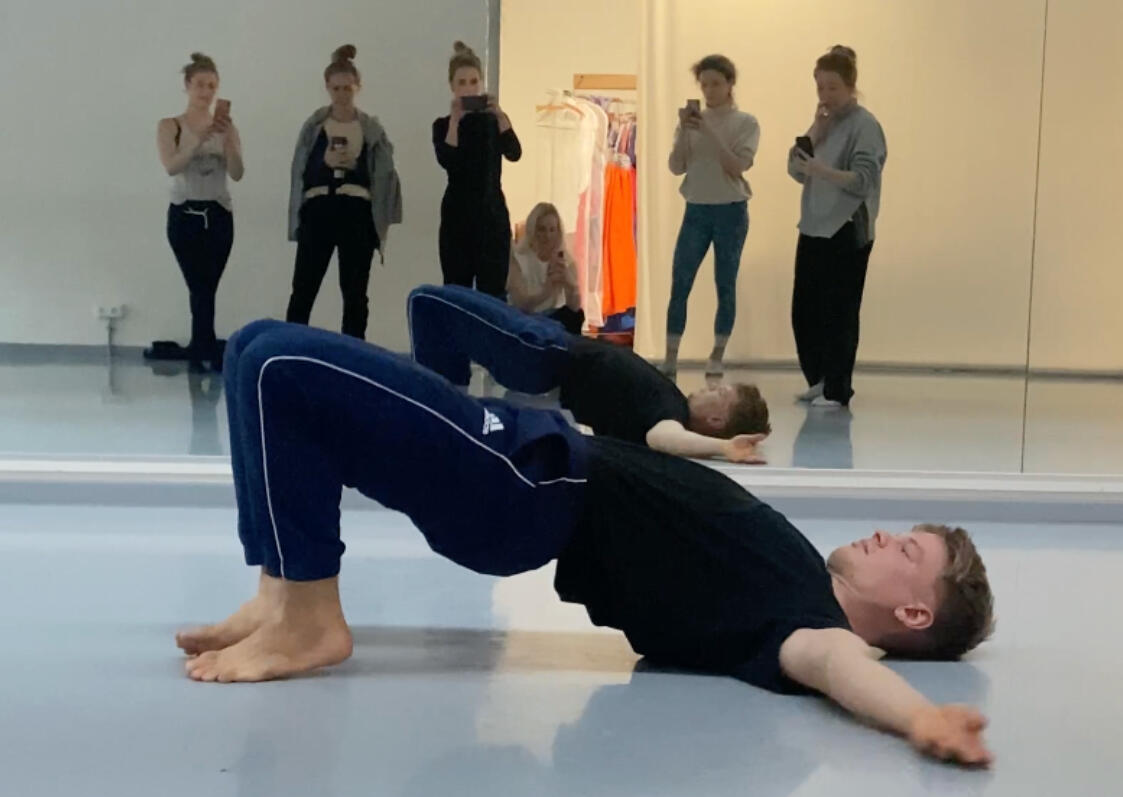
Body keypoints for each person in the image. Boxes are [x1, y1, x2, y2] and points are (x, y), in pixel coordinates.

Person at [176, 318, 996, 768]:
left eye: (907, 553)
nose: (885, 535)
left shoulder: (810, 627)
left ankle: (311, 616)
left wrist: (921, 719)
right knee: (253, 350)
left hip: (525, 486)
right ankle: (279, 590)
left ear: (912, 613)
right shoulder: (798, 574)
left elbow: (843, 670)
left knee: (279, 364)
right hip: (534, 463)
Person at [408, 284, 770, 461]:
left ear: (717, 420)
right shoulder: (670, 403)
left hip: (539, 352)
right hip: (546, 342)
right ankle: (443, 412)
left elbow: (666, 440)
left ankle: (436, 417)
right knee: (436, 313)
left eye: (720, 394)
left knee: (427, 302)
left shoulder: (667, 417)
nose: (712, 387)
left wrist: (723, 447)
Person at [788, 46, 887, 408]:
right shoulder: (824, 123)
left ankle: (837, 388)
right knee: (804, 310)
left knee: (839, 312)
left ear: (850, 86)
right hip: (814, 224)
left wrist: (823, 171)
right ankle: (818, 378)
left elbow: (864, 180)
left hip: (847, 229)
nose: (826, 95)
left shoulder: (865, 126)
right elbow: (795, 168)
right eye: (820, 88)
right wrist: (816, 130)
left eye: (833, 87)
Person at [286, 45, 402, 340]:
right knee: (304, 287)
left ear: (357, 87)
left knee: (355, 292)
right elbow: (299, 172)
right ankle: (290, 349)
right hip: (318, 208)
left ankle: (353, 354)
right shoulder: (315, 126)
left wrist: (356, 167)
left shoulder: (371, 129)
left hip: (356, 211)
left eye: (347, 88)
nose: (341, 94)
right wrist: (323, 163)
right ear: (327, 88)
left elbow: (384, 175)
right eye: (336, 88)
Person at [664, 55, 761, 381]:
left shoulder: (745, 123)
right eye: (704, 84)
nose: (709, 91)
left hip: (731, 209)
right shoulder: (691, 123)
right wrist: (684, 130)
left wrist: (707, 130)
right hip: (696, 208)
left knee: (725, 282)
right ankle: (670, 356)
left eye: (716, 84)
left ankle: (717, 353)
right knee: (680, 281)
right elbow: (676, 166)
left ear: (730, 84)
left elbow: (737, 166)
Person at [156, 53, 244, 373]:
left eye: (212, 86)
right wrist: (198, 142)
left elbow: (237, 173)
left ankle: (202, 346)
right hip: (185, 213)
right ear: (187, 86)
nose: (206, 92)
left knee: (210, 285)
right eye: (200, 85)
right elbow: (171, 166)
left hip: (218, 212)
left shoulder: (226, 127)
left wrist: (227, 141)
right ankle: (201, 348)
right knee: (197, 284)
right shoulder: (170, 125)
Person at [432, 41, 521, 298]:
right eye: (462, 83)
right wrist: (455, 121)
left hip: (491, 215)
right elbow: (447, 160)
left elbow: (514, 153)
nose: (468, 88)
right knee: (456, 293)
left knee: (493, 293)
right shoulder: (442, 125)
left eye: (473, 82)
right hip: (457, 218)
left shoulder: (493, 122)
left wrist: (501, 117)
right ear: (452, 86)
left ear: (481, 83)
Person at [508, 203, 584, 334]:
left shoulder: (565, 260)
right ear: (532, 230)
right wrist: (547, 289)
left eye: (552, 230)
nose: (547, 236)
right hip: (525, 319)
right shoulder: (519, 259)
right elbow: (521, 304)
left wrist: (569, 283)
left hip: (554, 317)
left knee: (575, 316)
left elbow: (575, 306)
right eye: (541, 229)